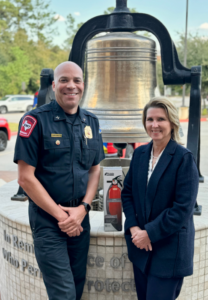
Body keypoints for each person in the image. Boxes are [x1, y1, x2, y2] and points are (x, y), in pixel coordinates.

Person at [14, 61, 105, 300]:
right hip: (48, 222)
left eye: (77, 80)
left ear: (83, 85)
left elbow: (95, 169)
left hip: (79, 219)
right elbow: (25, 178)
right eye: (64, 80)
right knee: (63, 293)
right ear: (54, 85)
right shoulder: (34, 121)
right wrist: (62, 217)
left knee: (76, 286)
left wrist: (83, 209)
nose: (71, 86)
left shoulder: (92, 123)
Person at [121, 97, 199, 300]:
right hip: (141, 250)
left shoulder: (183, 158)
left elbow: (182, 209)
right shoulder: (139, 154)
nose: (154, 125)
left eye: (160, 119)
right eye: (150, 119)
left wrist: (149, 232)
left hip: (168, 252)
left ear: (172, 123)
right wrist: (134, 228)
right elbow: (127, 193)